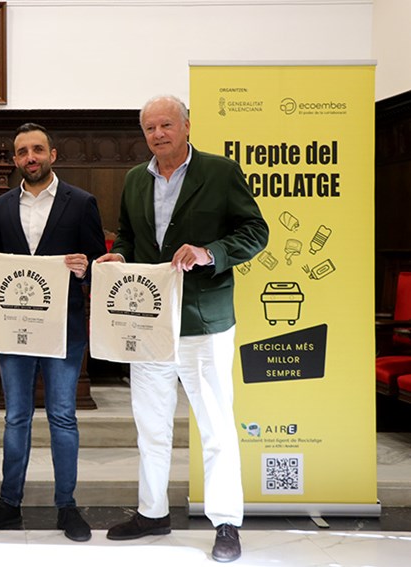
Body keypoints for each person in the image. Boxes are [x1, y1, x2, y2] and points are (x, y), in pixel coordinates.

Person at [97, 95, 269, 562]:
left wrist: (210, 253)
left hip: (203, 320)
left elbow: (256, 232)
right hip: (148, 323)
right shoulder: (135, 179)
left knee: (215, 427)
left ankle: (226, 521)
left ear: (187, 126)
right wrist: (119, 256)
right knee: (151, 427)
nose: (158, 134)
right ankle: (152, 513)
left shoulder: (220, 172)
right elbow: (129, 235)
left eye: (166, 125)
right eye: (150, 128)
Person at [0, 123, 107, 542]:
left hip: (63, 329)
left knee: (63, 416)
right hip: (14, 327)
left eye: (37, 150)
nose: (30, 157)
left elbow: (99, 266)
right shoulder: (2, 205)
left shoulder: (81, 202)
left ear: (52, 154)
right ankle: (9, 503)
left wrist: (85, 270)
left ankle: (67, 506)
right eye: (22, 151)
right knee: (16, 417)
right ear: (15, 159)